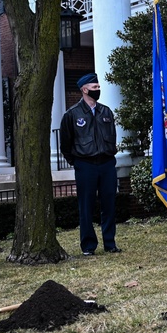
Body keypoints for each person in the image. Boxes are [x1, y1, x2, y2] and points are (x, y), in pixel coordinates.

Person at [60, 73, 121, 256]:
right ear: (84, 89)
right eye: (95, 88)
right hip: (85, 165)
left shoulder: (106, 112)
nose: (98, 90)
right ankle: (88, 246)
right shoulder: (72, 114)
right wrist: (77, 162)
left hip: (107, 164)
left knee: (109, 204)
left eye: (98, 87)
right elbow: (65, 144)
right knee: (86, 207)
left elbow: (112, 136)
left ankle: (110, 243)